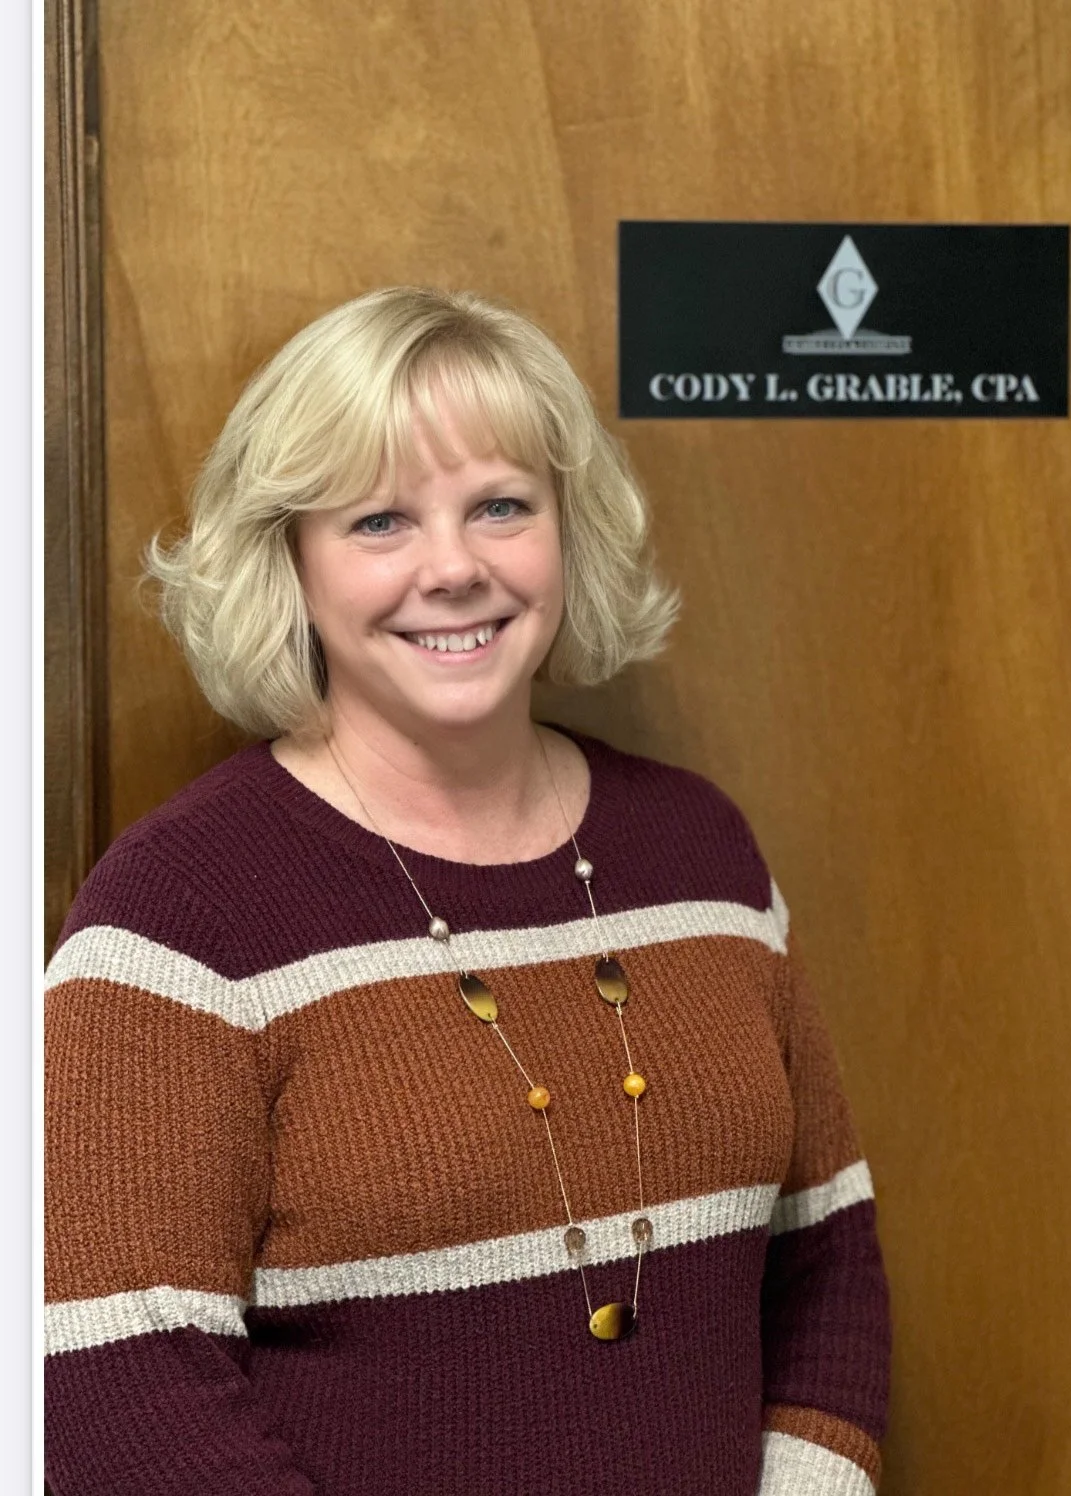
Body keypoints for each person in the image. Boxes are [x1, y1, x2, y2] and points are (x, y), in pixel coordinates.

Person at [44, 286, 891, 1494]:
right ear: (287, 558)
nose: (453, 568)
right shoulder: (176, 912)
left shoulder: (701, 852)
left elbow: (829, 1259)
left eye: (501, 504)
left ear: (568, 529)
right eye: (380, 520)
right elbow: (108, 1382)